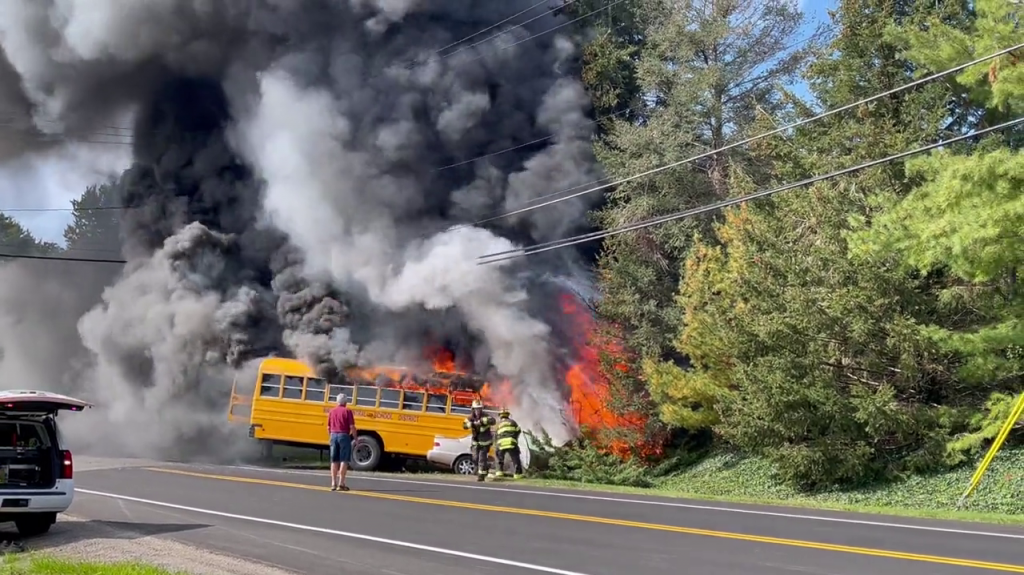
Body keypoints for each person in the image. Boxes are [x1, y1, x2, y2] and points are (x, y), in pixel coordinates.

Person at [327, 393, 357, 492]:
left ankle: (333, 483)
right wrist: (356, 439)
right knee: (344, 460)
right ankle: (341, 483)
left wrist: (330, 437)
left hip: (333, 435)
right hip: (344, 435)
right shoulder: (347, 411)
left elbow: (328, 427)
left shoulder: (332, 411)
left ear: (337, 401)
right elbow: (352, 427)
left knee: (334, 460)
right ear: (346, 402)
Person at [462, 399, 495, 482]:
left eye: (479, 409)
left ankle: (481, 476)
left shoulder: (485, 415)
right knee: (475, 458)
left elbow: (493, 421)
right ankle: (485, 467)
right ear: (473, 409)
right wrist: (471, 424)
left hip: (485, 442)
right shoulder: (470, 417)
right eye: (476, 409)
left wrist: (482, 421)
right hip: (476, 441)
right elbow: (464, 425)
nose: (478, 411)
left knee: (481, 458)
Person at [494, 407, 524, 479]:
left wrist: (496, 445)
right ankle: (517, 474)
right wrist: (514, 438)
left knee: (499, 458)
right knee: (515, 458)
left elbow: (495, 436)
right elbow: (518, 431)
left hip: (501, 444)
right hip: (511, 442)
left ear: (500, 415)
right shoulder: (513, 422)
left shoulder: (498, 424)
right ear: (508, 415)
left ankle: (499, 472)